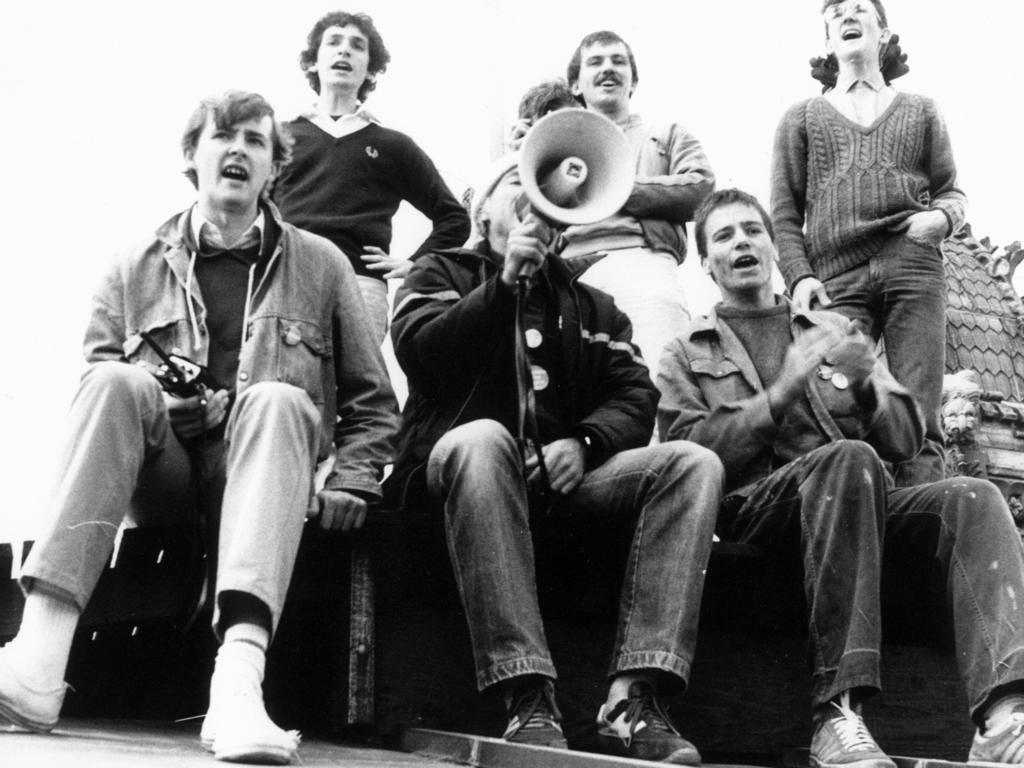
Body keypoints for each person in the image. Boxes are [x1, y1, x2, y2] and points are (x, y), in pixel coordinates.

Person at [0, 91, 399, 765]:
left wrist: (352, 480)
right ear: (194, 155)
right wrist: (166, 403)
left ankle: (238, 687)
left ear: (275, 167)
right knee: (114, 381)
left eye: (256, 141)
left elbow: (373, 404)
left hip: (268, 478)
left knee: (276, 399)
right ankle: (37, 660)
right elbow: (96, 390)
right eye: (223, 136)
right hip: (168, 479)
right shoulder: (133, 264)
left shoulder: (324, 265)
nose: (239, 150)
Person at [658, 188, 1024, 767]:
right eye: (724, 236)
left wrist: (867, 383)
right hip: (757, 515)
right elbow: (692, 456)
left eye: (753, 231)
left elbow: (907, 439)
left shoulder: (830, 328)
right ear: (706, 262)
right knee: (848, 457)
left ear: (774, 247)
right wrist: (780, 394)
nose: (742, 243)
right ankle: (837, 715)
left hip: (857, 501)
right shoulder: (685, 352)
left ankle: (1005, 717)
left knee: (973, 495)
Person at [389, 165, 723, 764]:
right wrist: (503, 286)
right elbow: (422, 354)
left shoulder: (594, 305)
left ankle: (632, 700)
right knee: (483, 438)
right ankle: (525, 691)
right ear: (482, 210)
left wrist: (587, 444)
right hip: (457, 476)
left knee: (692, 464)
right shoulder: (439, 271)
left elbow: (636, 395)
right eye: (514, 181)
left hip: (561, 489)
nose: (535, 193)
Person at [771, 0, 966, 486]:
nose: (849, 15)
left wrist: (940, 219)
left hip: (913, 265)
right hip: (835, 279)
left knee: (920, 413)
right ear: (827, 40)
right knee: (832, 403)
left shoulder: (921, 109)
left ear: (884, 33)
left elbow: (952, 190)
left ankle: (920, 534)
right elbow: (784, 211)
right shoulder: (801, 118)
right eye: (836, 11)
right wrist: (800, 275)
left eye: (861, 8)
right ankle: (853, 522)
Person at [273, 10, 470, 343]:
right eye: (333, 42)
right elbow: (248, 212)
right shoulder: (280, 138)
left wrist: (416, 264)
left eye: (357, 46)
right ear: (313, 62)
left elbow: (454, 218)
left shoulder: (392, 145)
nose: (344, 50)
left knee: (356, 391)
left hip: (361, 287)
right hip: (287, 282)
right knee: (287, 388)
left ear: (370, 67)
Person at [561, 30, 714, 378]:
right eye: (595, 62)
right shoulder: (557, 141)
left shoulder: (668, 133)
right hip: (570, 273)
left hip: (645, 262)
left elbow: (702, 188)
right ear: (575, 85)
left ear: (633, 80)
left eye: (618, 61)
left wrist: (617, 188)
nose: (608, 69)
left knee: (661, 381)